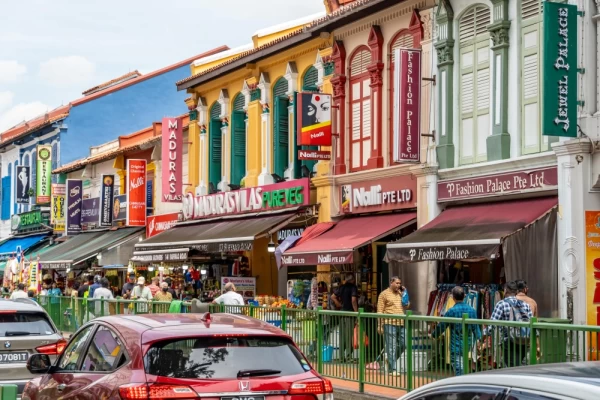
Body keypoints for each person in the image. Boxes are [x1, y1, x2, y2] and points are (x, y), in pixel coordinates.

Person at [431, 286, 481, 376]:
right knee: (463, 365)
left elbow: (442, 325)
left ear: (453, 297)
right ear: (464, 296)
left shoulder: (452, 311)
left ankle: (461, 385)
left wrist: (434, 335)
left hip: (455, 344)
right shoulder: (472, 310)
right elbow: (475, 328)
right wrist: (479, 339)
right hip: (467, 344)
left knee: (458, 368)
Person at [483, 281, 533, 368]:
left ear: (505, 290)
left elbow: (492, 324)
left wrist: (483, 335)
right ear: (516, 292)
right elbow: (531, 322)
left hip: (509, 340)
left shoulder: (501, 304)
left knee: (509, 366)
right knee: (522, 366)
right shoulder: (525, 305)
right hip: (524, 339)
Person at [377, 276, 410, 375]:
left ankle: (391, 361)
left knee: (404, 344)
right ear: (391, 282)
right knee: (391, 346)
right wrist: (380, 325)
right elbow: (379, 311)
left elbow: (407, 305)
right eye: (397, 283)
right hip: (389, 322)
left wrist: (405, 294)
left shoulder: (400, 293)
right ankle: (393, 369)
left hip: (401, 322)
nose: (399, 285)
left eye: (400, 283)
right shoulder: (384, 294)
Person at [331, 273, 358, 363]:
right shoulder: (353, 287)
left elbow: (333, 296)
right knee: (349, 335)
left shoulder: (341, 287)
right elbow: (353, 300)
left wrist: (339, 304)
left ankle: (341, 356)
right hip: (350, 313)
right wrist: (356, 312)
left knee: (342, 335)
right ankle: (349, 356)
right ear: (352, 280)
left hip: (342, 313)